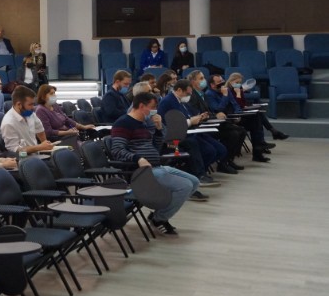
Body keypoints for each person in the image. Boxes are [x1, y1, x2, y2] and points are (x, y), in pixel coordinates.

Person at [110, 92, 200, 235]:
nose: (155, 111)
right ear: (141, 106)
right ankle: (159, 219)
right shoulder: (123, 123)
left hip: (156, 166)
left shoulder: (145, 122)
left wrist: (158, 130)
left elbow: (156, 148)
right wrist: (138, 158)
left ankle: (159, 213)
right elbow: (117, 150)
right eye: (152, 107)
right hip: (139, 171)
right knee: (185, 186)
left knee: (194, 182)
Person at [157, 78, 229, 187]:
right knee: (205, 149)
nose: (189, 96)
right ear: (179, 90)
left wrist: (200, 117)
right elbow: (168, 125)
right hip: (174, 139)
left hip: (190, 132)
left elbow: (191, 115)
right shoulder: (168, 101)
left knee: (219, 149)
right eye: (187, 93)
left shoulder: (181, 101)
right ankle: (198, 174)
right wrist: (190, 121)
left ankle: (194, 172)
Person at [206, 73, 271, 163]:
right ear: (212, 85)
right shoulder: (210, 94)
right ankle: (228, 160)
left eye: (222, 80)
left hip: (233, 116)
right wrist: (225, 96)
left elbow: (235, 104)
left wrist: (238, 114)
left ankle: (257, 151)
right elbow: (218, 109)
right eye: (219, 82)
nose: (222, 83)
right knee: (238, 132)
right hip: (223, 120)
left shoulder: (226, 90)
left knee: (255, 119)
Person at [227, 72, 288, 140]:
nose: (238, 84)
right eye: (237, 82)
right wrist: (238, 94)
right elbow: (237, 105)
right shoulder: (228, 91)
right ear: (231, 82)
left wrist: (241, 94)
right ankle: (273, 132)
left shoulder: (239, 90)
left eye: (240, 82)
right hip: (236, 116)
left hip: (242, 112)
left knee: (258, 113)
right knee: (257, 117)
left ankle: (268, 136)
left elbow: (243, 104)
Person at [0, 86, 55, 155]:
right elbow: (15, 150)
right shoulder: (8, 123)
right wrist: (39, 147)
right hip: (23, 158)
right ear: (19, 104)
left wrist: (45, 144)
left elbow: (40, 129)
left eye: (33, 104)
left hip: (37, 154)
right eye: (30, 104)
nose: (33, 107)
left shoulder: (29, 113)